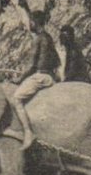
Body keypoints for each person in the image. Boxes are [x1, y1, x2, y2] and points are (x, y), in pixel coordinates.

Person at [11, 20, 60, 150]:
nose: (29, 24)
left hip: (40, 76)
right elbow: (57, 61)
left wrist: (19, 79)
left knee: (16, 99)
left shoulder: (38, 39)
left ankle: (28, 132)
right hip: (50, 77)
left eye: (31, 22)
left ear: (35, 22)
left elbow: (32, 65)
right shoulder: (49, 38)